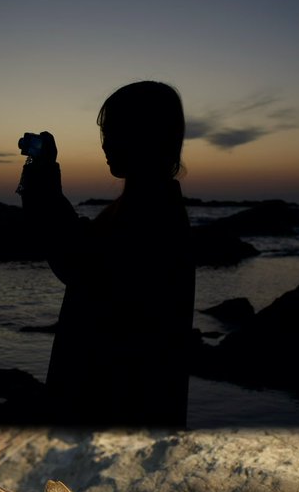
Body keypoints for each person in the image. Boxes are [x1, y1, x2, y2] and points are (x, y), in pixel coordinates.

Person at [17, 80, 195, 428]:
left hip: (116, 408)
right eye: (105, 133)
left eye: (114, 132)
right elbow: (84, 250)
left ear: (144, 136)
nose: (106, 144)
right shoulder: (145, 206)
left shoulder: (151, 214)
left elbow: (80, 263)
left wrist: (42, 179)